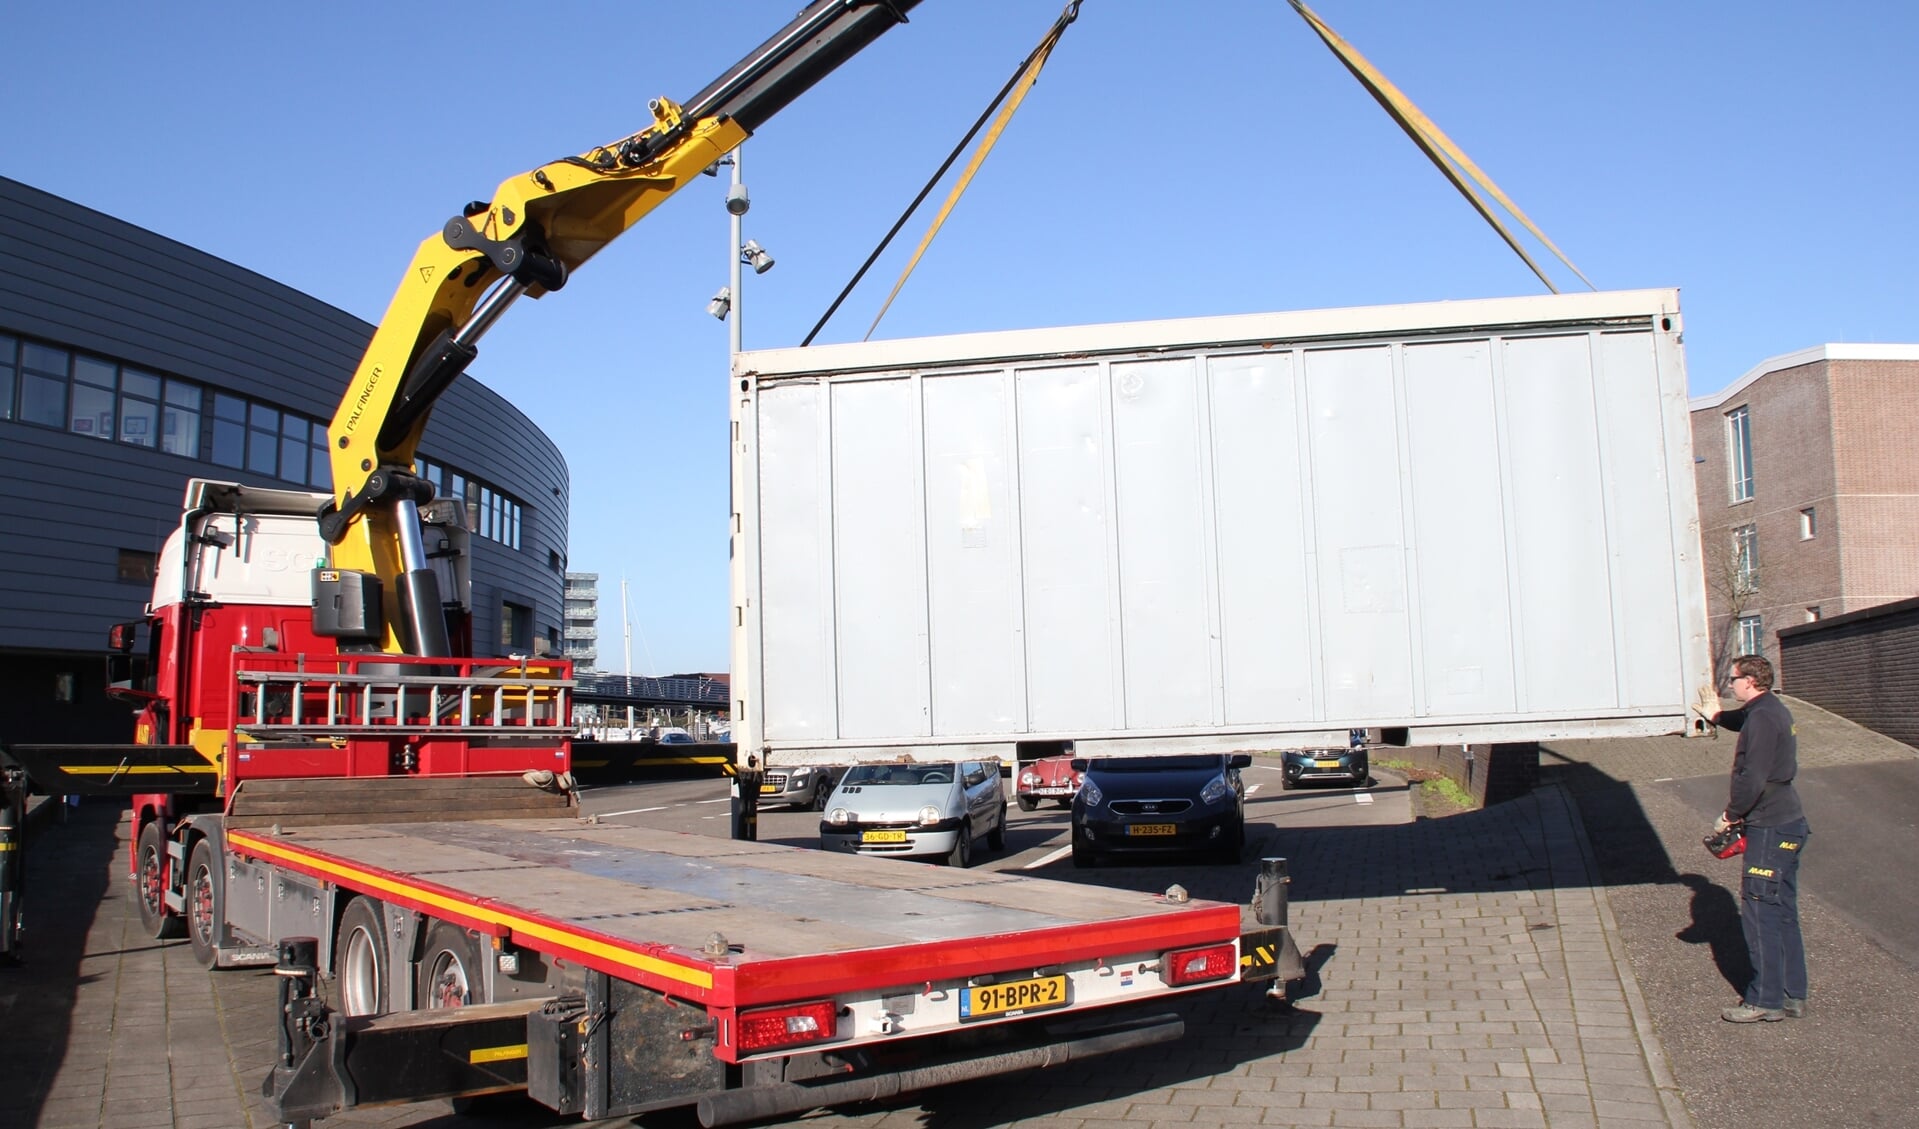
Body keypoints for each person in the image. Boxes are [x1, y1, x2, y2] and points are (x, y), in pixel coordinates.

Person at [1694, 654, 1809, 1023]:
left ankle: (1765, 1000)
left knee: (1759, 911)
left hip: (1769, 826)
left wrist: (1731, 814)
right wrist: (1716, 716)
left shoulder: (1761, 719)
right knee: (1783, 910)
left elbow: (1752, 777)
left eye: (1733, 680)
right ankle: (1793, 994)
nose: (1730, 685)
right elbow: (1740, 719)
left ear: (1750, 681)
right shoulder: (1771, 709)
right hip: (1790, 822)